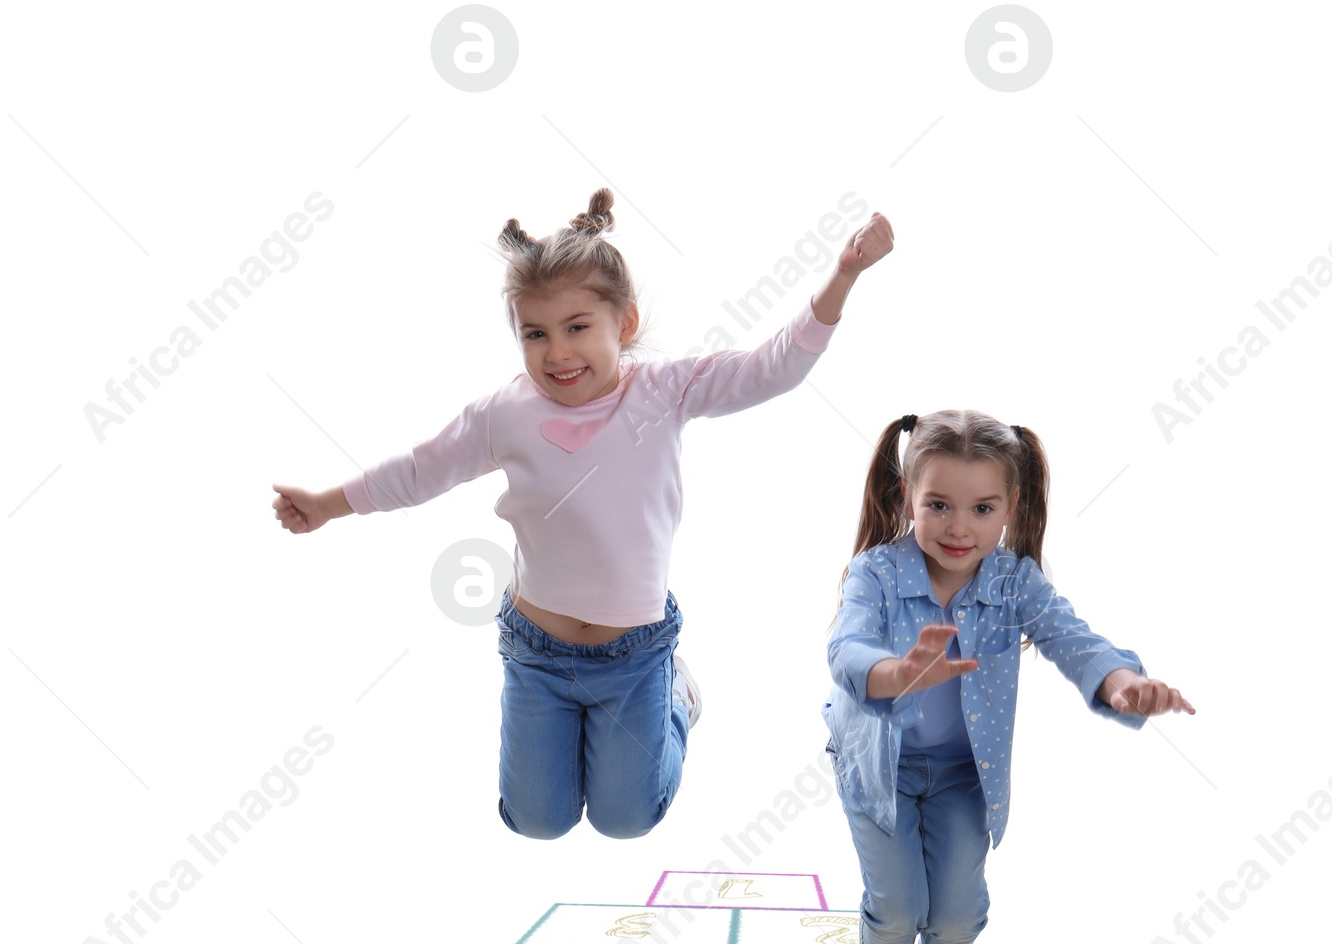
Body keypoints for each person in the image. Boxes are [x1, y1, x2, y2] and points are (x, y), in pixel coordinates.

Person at [273, 187, 893, 839]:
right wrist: (327, 503)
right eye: (535, 334)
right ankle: (579, 746)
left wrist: (844, 275)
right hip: (537, 651)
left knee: (626, 818)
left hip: (633, 652)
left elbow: (775, 368)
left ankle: (675, 701)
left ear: (622, 325)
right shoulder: (504, 415)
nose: (558, 354)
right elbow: (420, 470)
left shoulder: (663, 392)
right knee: (536, 821)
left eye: (577, 329)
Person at [824, 410, 1194, 944]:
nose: (959, 526)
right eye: (937, 505)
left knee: (960, 903)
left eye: (982, 507)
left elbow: (1073, 639)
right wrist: (896, 671)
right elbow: (847, 645)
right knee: (898, 901)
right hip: (877, 767)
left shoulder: (1014, 581)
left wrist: (1117, 682)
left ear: (1010, 506)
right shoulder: (876, 573)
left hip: (966, 774)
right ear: (906, 496)